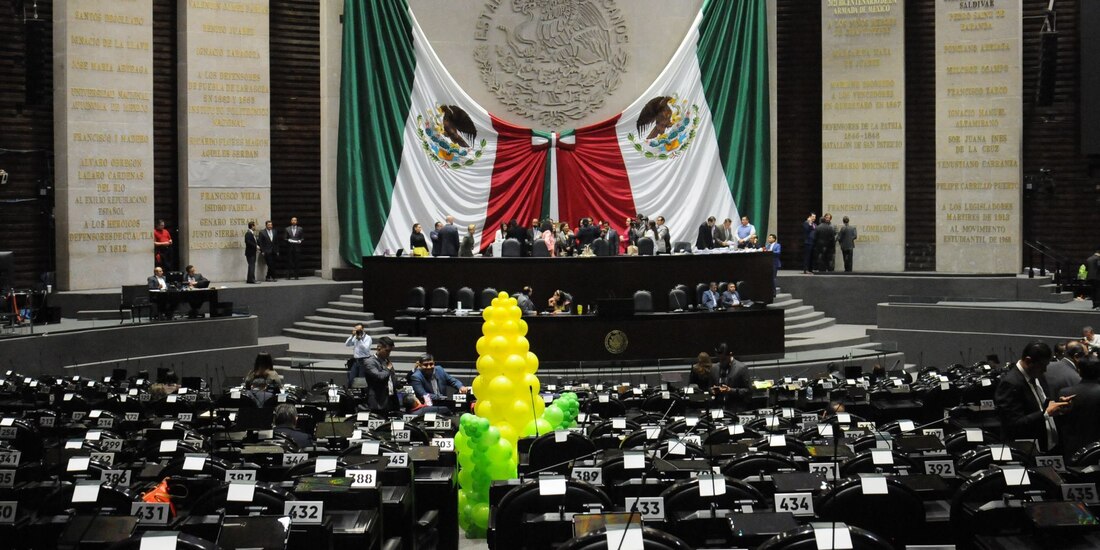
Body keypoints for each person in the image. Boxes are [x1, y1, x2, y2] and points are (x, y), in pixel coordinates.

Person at [993, 342, 1073, 453]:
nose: (1045, 370)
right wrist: (1045, 413)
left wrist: (1057, 406)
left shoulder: (1037, 376)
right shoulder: (1010, 383)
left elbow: (1039, 406)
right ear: (1028, 361)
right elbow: (1012, 425)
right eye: (1042, 366)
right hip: (1026, 451)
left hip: (1049, 447)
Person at [1058, 357, 1100, 459]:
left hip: (1072, 447)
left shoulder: (1065, 393)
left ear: (1079, 371)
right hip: (1097, 447)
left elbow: (1059, 422)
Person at [363, 336, 398, 413]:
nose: (389, 353)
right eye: (387, 351)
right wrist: (388, 369)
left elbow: (391, 377)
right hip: (378, 400)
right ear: (379, 348)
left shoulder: (386, 361)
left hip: (390, 399)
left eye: (390, 351)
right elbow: (379, 377)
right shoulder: (370, 362)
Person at [714, 343, 751, 411]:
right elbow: (709, 387)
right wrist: (712, 390)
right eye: (719, 359)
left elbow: (748, 391)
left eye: (724, 359)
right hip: (718, 409)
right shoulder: (715, 368)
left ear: (730, 355)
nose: (721, 362)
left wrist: (730, 390)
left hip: (736, 409)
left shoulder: (741, 368)